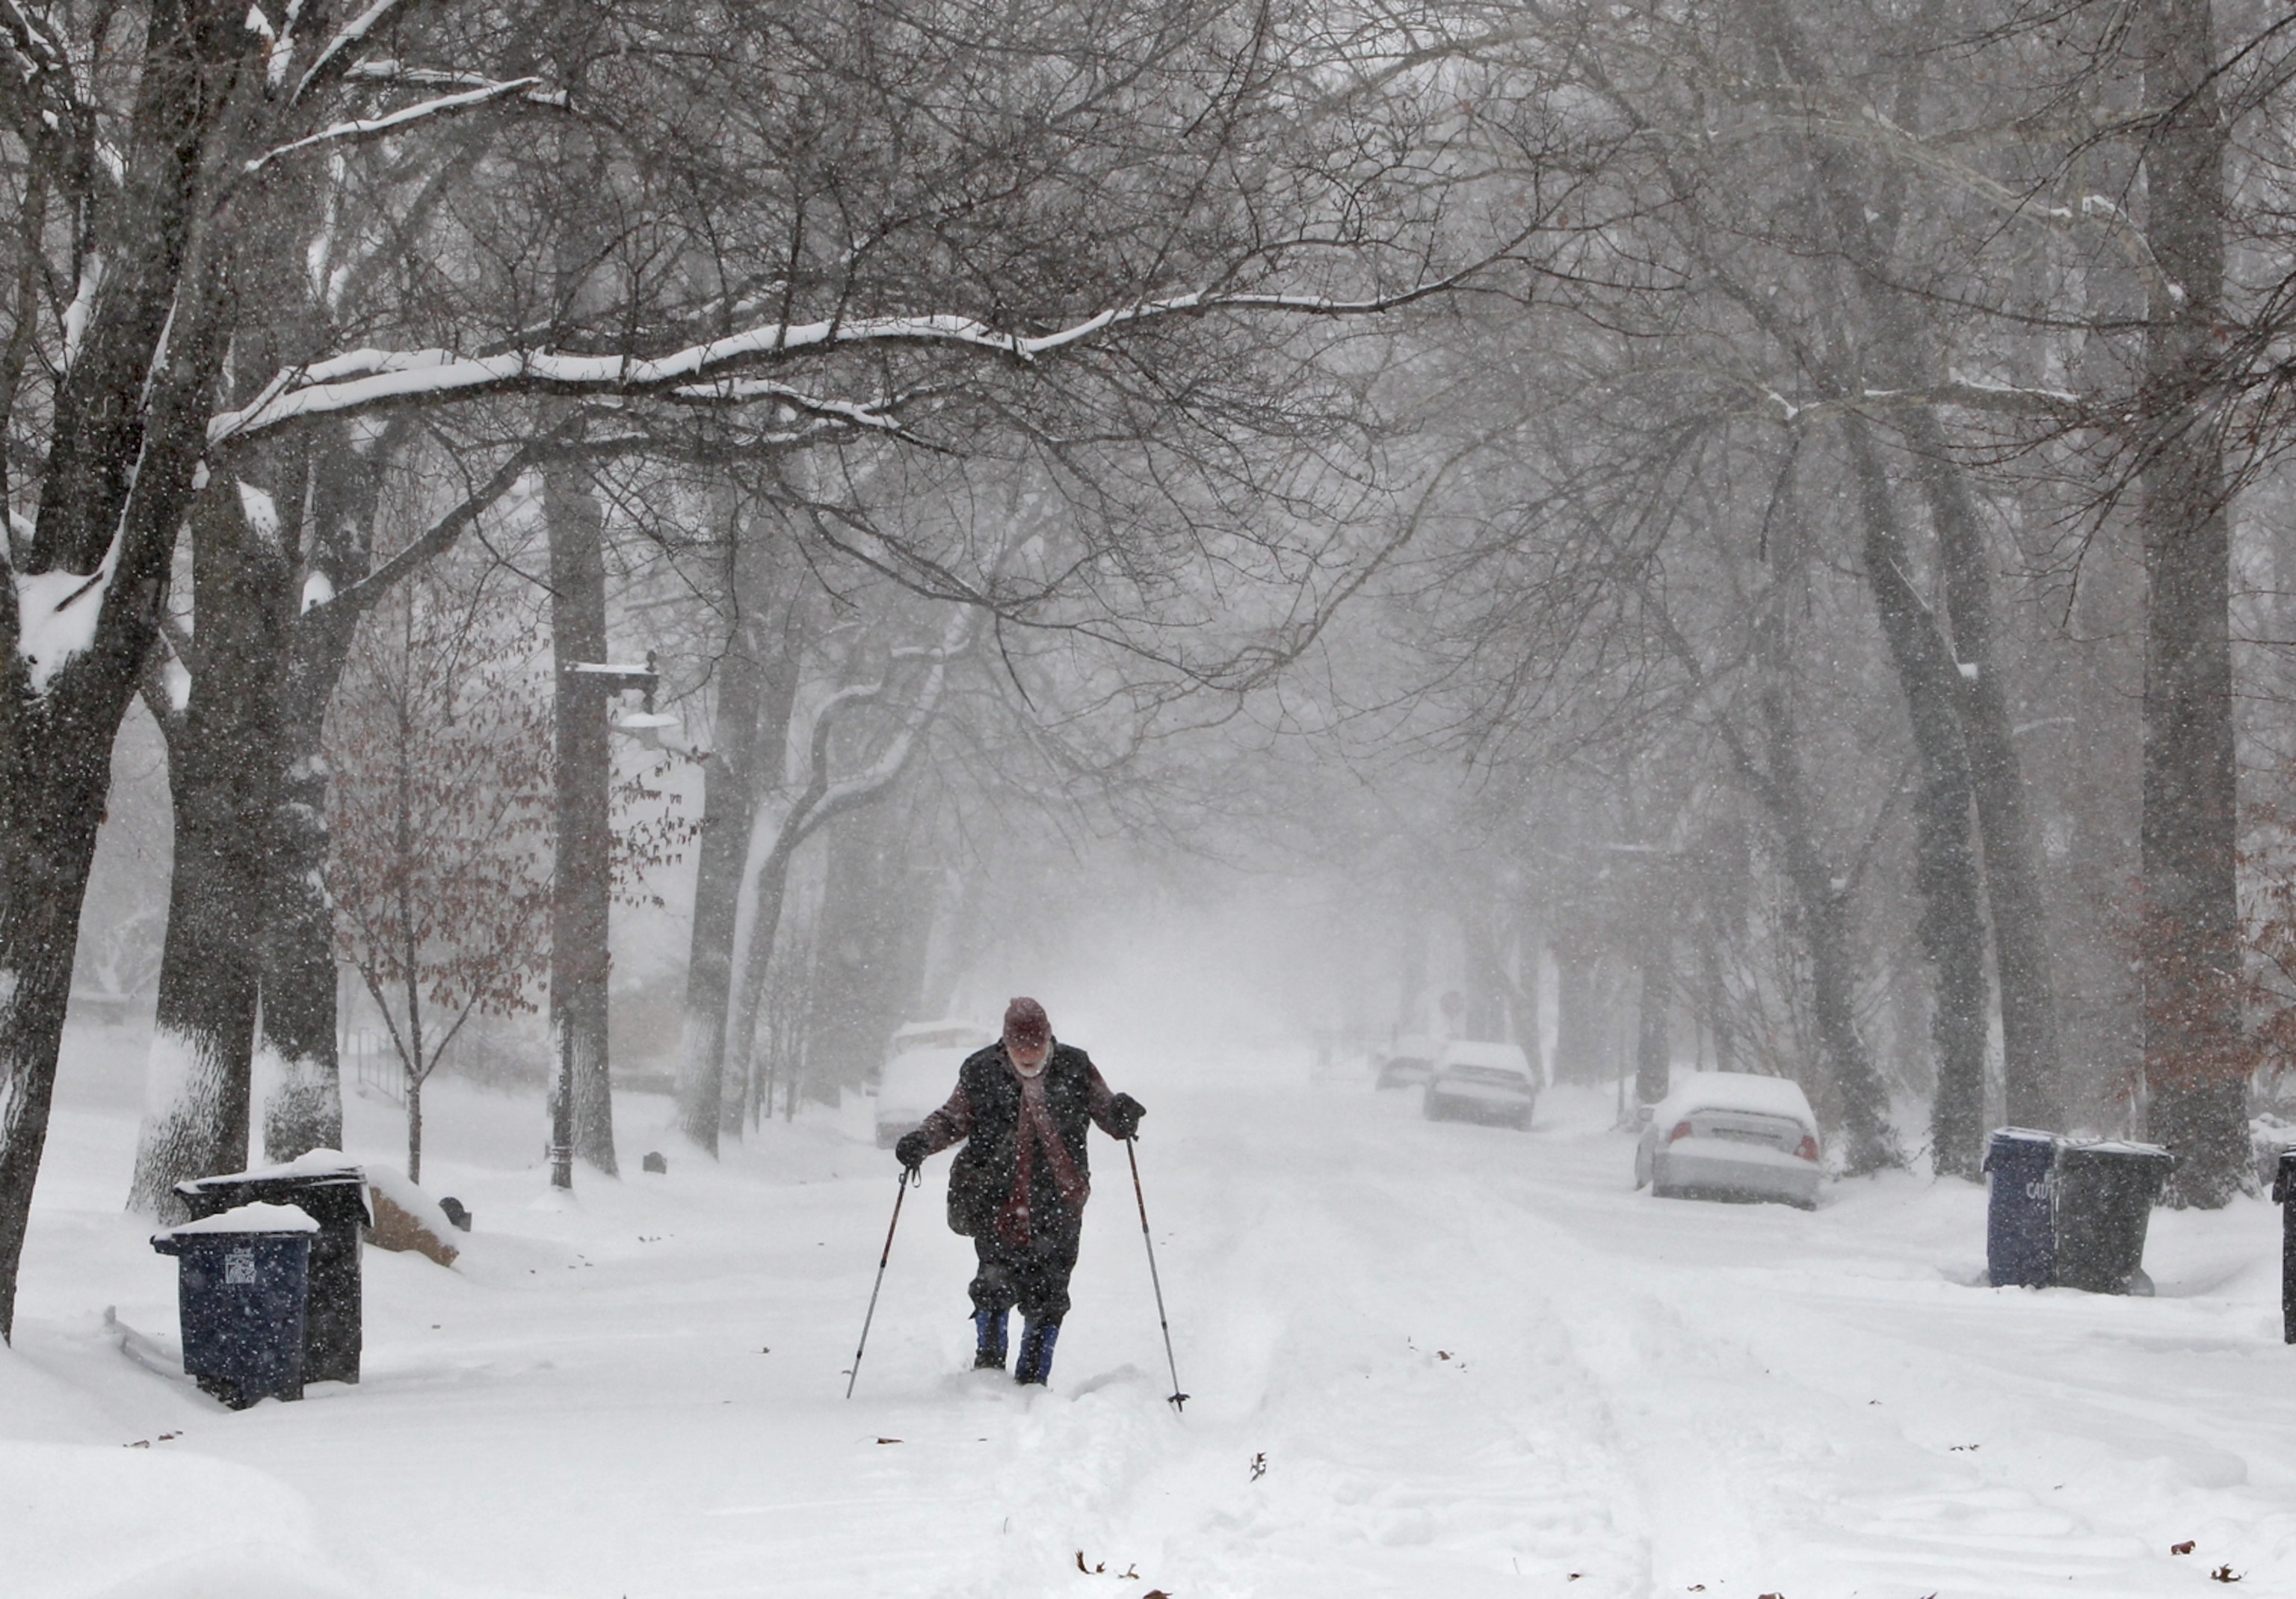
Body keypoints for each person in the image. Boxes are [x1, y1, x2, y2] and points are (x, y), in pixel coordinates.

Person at [895, 996, 1144, 1385]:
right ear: (1005, 1045)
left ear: (1049, 1040)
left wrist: (1122, 1114)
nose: (1027, 1055)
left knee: (1049, 1294)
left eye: (1035, 1046)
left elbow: (1107, 1111)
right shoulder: (981, 1071)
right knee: (993, 1284)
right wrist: (921, 1141)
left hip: (1060, 1203)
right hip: (995, 1199)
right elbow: (952, 1118)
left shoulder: (1076, 1068)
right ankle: (988, 1373)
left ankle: (1032, 1381)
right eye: (1019, 1047)